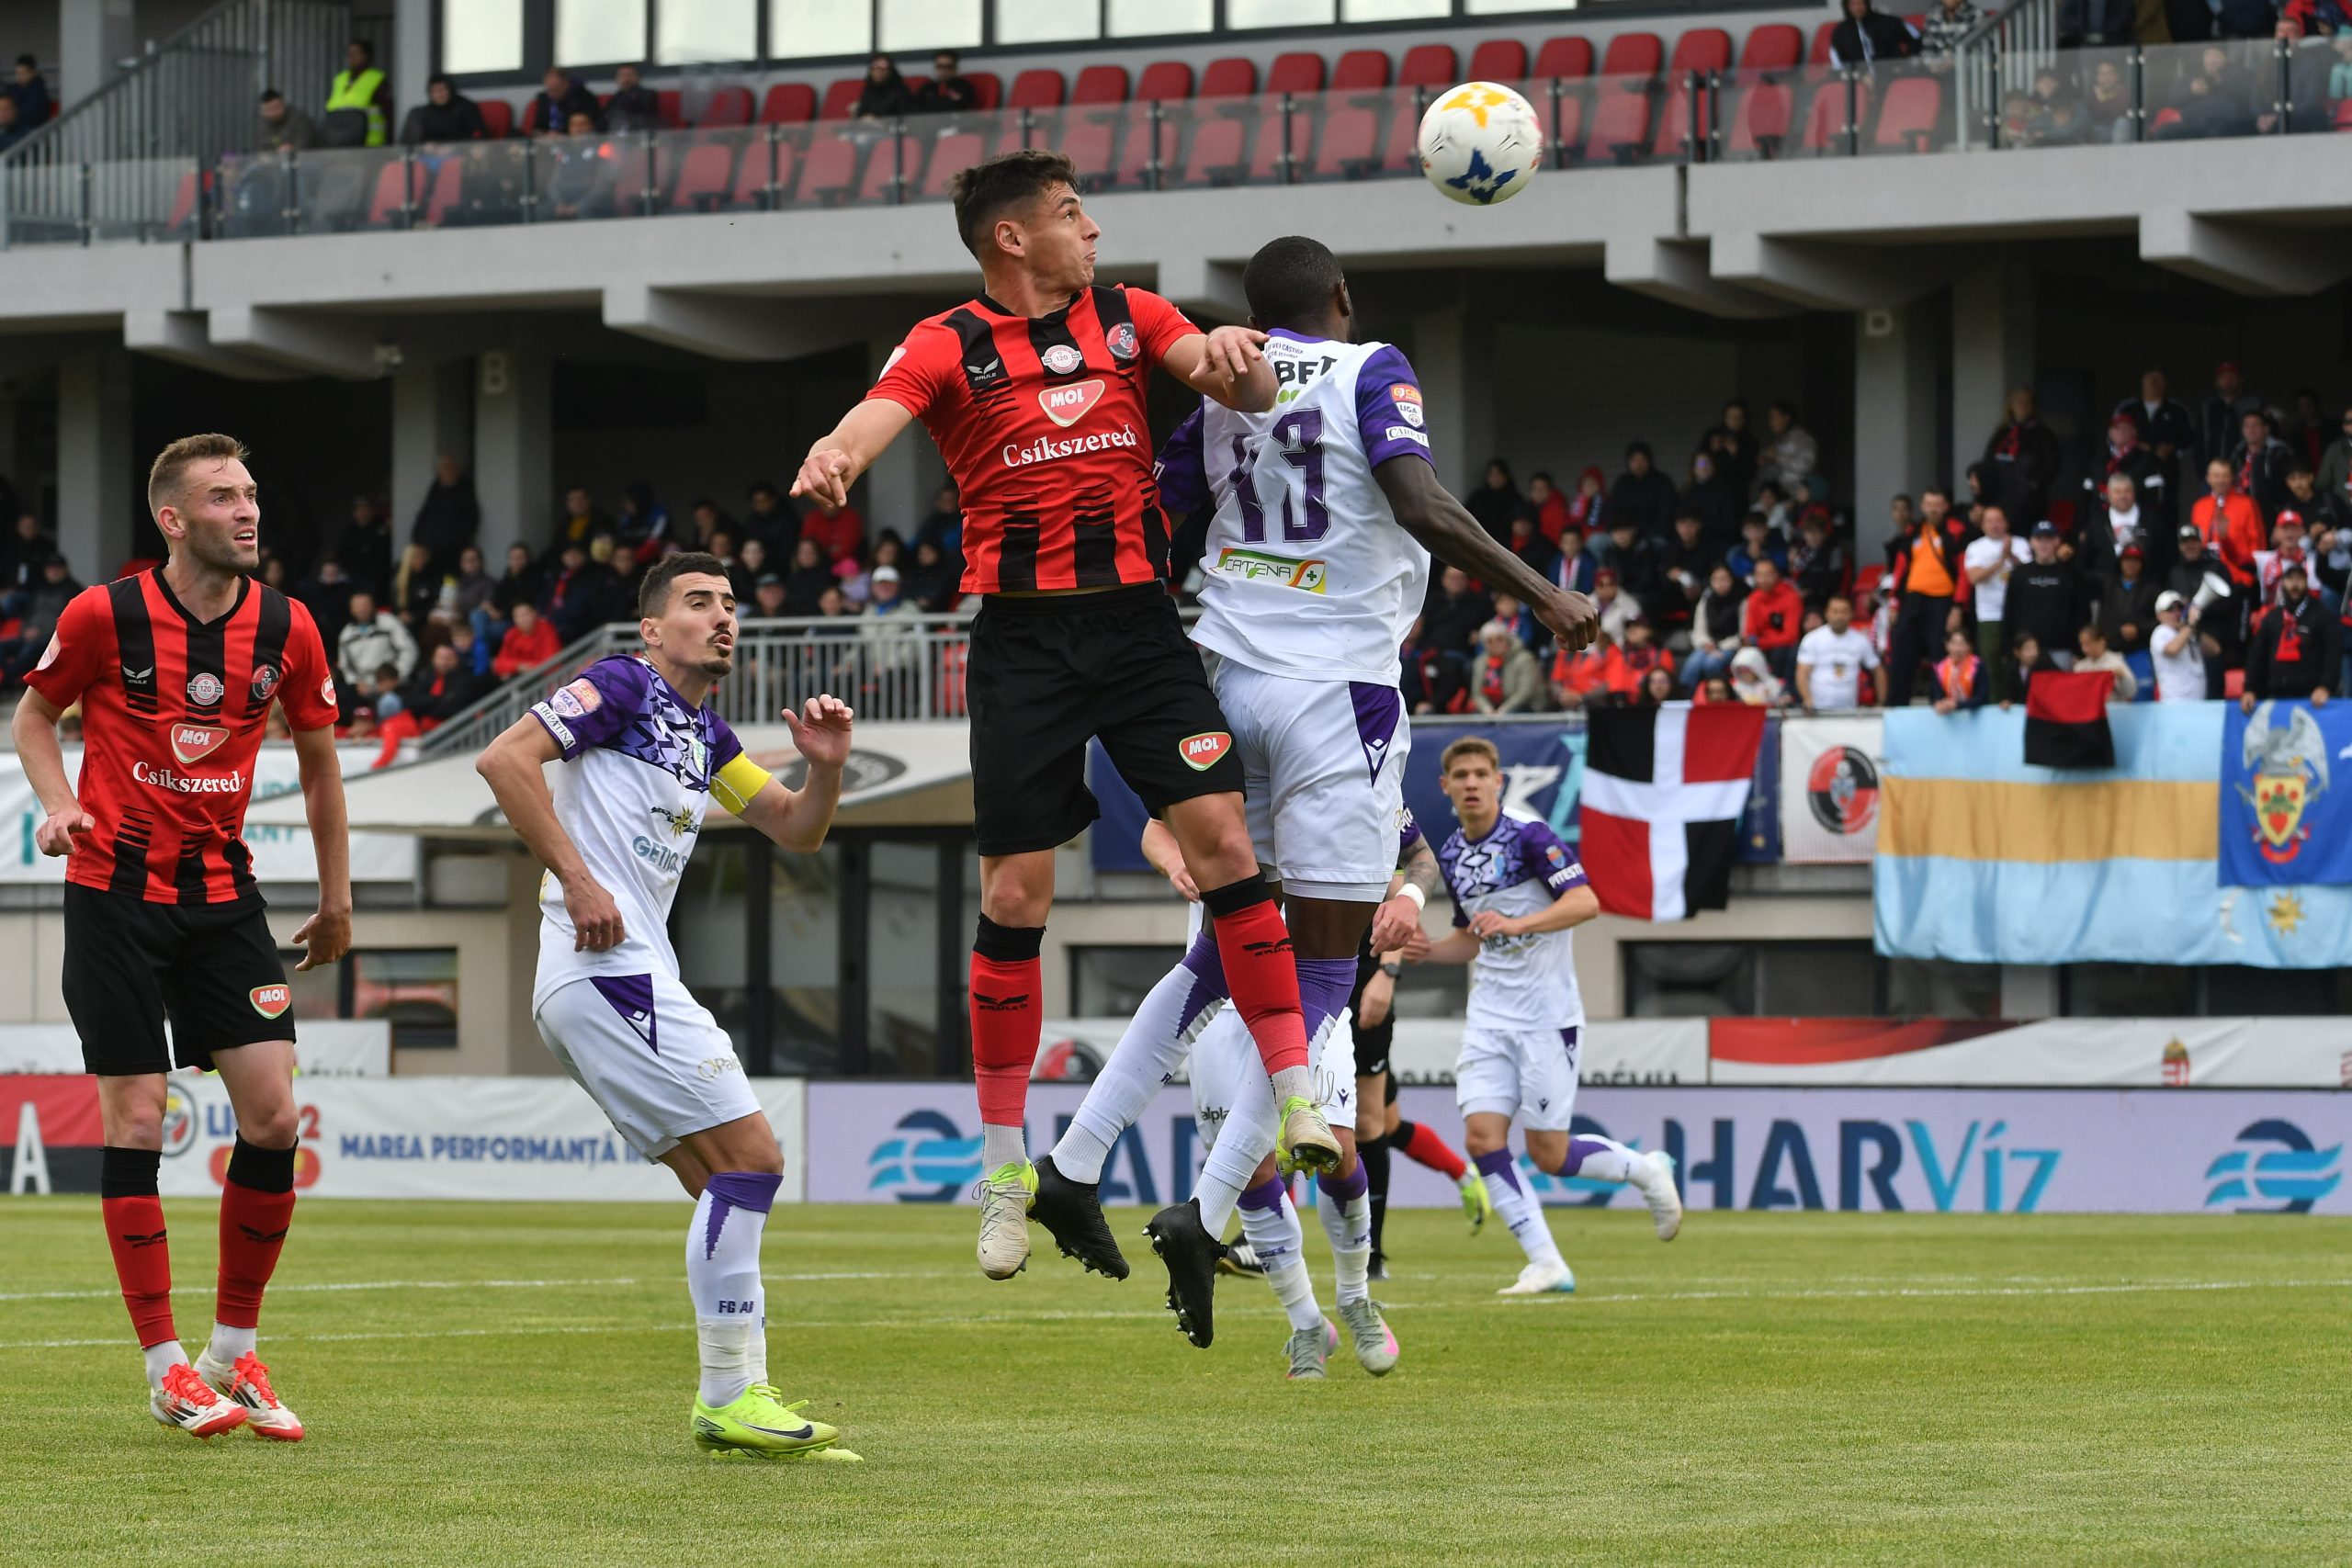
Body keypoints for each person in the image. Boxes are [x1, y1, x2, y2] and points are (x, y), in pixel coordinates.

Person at [786, 157, 1394, 1280]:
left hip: (1139, 633)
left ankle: (1302, 1097)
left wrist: (1232, 365)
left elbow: (1235, 387)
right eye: (1071, 215)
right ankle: (1007, 1176)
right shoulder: (945, 341)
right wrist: (837, 454)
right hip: (1022, 647)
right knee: (1015, 896)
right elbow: (879, 415)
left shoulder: (1131, 315)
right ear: (1012, 239)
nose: (1092, 231)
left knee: (1226, 851)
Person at [1027, 233, 1595, 1343]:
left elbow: (1164, 530)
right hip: (1332, 694)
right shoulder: (1369, 365)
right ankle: (1202, 1209)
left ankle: (1076, 1159)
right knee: (1323, 977)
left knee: (1217, 953)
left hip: (1221, 680)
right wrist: (1543, 593)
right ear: (1340, 298)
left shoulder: (1215, 385)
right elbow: (1421, 503)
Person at [474, 552, 863, 1461]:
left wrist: (826, 770)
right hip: (605, 963)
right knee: (756, 1157)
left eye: (731, 603)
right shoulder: (618, 686)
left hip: (618, 974)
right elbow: (504, 758)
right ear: (652, 629)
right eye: (699, 603)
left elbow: (798, 830)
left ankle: (737, 1397)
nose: (723, 615)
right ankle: (731, 1397)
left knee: (720, 1178)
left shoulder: (707, 736)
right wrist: (576, 881)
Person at [13, 434, 349, 1442]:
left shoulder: (289, 627)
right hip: (112, 891)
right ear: (173, 518)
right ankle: (165, 1368)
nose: (248, 511)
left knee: (275, 1118)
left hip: (222, 896)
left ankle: (231, 1350)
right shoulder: (102, 614)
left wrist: (337, 900)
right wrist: (58, 804)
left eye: (251, 493)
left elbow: (325, 769)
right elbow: (33, 718)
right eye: (223, 497)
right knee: (137, 1118)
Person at [1412, 738, 1680, 1296]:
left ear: (1499, 781)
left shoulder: (1528, 834)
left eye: (1480, 773)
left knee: (1549, 1154)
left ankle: (1646, 1171)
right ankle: (1546, 1263)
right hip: (1489, 1016)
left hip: (1546, 1015)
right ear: (1445, 787)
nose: (1470, 783)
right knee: (1483, 1137)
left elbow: (1585, 903)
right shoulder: (1454, 852)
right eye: (1459, 774)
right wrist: (1427, 949)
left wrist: (1519, 925)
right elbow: (1470, 939)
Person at [1884, 489, 1967, 704]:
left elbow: (1963, 573)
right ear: (1922, 507)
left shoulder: (1956, 531)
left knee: (1939, 655)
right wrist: (1894, 602)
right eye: (1928, 504)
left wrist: (1958, 607)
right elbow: (1901, 569)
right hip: (1912, 601)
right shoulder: (1914, 532)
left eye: (1937, 504)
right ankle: (1895, 706)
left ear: (1946, 507)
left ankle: (1939, 702)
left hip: (1942, 602)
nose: (1933, 508)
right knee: (1901, 653)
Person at [2242, 561, 2339, 706]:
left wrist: (2325, 686)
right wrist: (2250, 689)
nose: (2295, 584)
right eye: (2290, 579)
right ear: (2282, 583)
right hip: (2274, 696)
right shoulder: (2272, 617)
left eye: (2299, 579)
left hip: (2311, 698)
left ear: (2307, 582)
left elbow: (2332, 654)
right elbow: (2257, 655)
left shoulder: (2322, 615)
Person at [1962, 502, 2030, 702]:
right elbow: (1973, 577)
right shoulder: (1976, 547)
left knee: (2019, 660)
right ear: (1982, 525)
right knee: (1991, 662)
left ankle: (2020, 701)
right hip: (1989, 614)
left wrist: (2011, 556)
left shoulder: (2021, 543)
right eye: (1990, 521)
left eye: (1999, 520)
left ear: (2006, 523)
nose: (1995, 525)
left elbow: (2028, 573)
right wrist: (2000, 561)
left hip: (2018, 613)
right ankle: (1994, 702)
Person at [2006, 523, 2088, 671]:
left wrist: (2078, 650)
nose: (2044, 544)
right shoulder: (2020, 574)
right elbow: (2010, 612)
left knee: (2062, 692)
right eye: (2039, 539)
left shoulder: (2070, 573)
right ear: (2031, 542)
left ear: (2057, 541)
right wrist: (2010, 649)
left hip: (2062, 648)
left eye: (2049, 539)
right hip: (2027, 651)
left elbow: (2080, 612)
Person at [1984, 388, 2062, 526]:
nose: (2022, 406)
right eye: (2018, 402)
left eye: (2027, 402)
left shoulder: (2043, 433)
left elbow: (2052, 464)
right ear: (2011, 406)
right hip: (2001, 497)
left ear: (2033, 406)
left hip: (2030, 501)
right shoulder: (2003, 432)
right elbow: (1989, 460)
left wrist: (2033, 485)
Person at [1795, 592, 1881, 712]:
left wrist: (1881, 703)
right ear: (1827, 613)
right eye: (1835, 611)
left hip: (1850, 711)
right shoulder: (1812, 639)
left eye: (1844, 612)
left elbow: (1878, 670)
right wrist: (1807, 698)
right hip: (1817, 711)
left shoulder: (1860, 640)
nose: (1839, 616)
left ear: (1851, 614)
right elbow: (1802, 673)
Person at [2191, 457, 2267, 586]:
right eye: (2216, 476)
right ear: (2208, 478)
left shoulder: (2247, 504)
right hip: (2204, 572)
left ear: (2232, 478)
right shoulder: (2199, 506)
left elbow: (2257, 545)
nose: (2221, 480)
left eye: (2225, 476)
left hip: (2238, 574)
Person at [411, 453, 480, 577]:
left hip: (453, 552)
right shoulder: (435, 489)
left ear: (457, 469)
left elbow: (471, 520)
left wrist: (450, 542)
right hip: (431, 551)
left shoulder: (465, 489)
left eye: (449, 467)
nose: (446, 472)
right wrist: (418, 539)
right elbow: (424, 515)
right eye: (443, 468)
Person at [336, 589, 417, 691]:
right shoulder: (346, 634)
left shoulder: (389, 623)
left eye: (365, 605)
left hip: (393, 685)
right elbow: (345, 666)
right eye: (357, 606)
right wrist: (356, 683)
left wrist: (397, 677)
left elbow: (409, 650)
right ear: (351, 609)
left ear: (373, 606)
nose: (361, 609)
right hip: (362, 688)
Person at [1742, 556, 1805, 681]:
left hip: (1783, 648)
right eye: (1759, 575)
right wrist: (1753, 642)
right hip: (1762, 647)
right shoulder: (1754, 598)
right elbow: (1751, 632)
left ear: (1777, 575)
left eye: (1768, 574)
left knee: (1781, 652)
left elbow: (1791, 636)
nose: (1764, 579)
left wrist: (1761, 642)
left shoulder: (1791, 597)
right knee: (1744, 655)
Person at [1684, 564, 1747, 689]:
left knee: (1711, 664)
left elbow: (1744, 633)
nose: (1720, 583)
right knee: (1692, 663)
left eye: (1724, 579)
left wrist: (1719, 646)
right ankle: (1687, 698)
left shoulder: (1742, 600)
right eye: (1716, 579)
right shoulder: (1706, 600)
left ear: (1731, 580)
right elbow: (1699, 629)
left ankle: (1718, 699)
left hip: (1731, 645)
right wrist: (1706, 643)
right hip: (1709, 644)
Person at [322, 39, 390, 148]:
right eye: (349, 53)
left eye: (356, 53)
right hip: (338, 141)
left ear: (366, 56)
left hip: (368, 143)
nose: (351, 57)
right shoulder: (340, 79)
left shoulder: (376, 78)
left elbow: (387, 112)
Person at [2231, 410, 2296, 520]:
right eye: (2247, 426)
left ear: (2266, 428)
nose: (2251, 430)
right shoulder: (2237, 454)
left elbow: (2288, 492)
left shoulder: (2278, 454)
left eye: (2255, 425)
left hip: (2269, 517)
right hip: (2241, 516)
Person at [1470, 618, 1544, 713]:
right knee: (1477, 715)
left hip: (1526, 706)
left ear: (1507, 639)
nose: (1495, 644)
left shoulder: (1524, 659)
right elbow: (1477, 693)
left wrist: (1503, 710)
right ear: (1484, 644)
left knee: (1513, 713)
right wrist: (1487, 709)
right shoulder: (1480, 662)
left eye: (1499, 639)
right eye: (1489, 641)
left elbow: (1525, 692)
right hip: (1495, 707)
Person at [1608, 442, 1679, 540]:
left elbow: (1667, 513)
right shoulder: (1621, 484)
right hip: (1624, 535)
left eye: (1642, 459)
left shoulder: (1662, 481)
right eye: (1634, 460)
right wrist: (1621, 531)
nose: (1638, 464)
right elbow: (1612, 511)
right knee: (1597, 542)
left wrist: (1651, 533)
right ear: (1628, 462)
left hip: (1654, 534)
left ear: (1649, 461)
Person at [2150, 590, 2207, 701]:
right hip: (2175, 704)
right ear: (2159, 615)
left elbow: (2215, 650)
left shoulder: (2187, 632)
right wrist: (2190, 624)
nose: (2176, 613)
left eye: (2180, 608)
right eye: (2170, 609)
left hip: (2197, 704)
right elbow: (2172, 649)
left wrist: (2194, 629)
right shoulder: (2160, 631)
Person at [399, 74, 488, 145]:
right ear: (430, 93)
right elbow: (412, 142)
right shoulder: (423, 113)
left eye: (443, 90)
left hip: (460, 151)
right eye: (435, 91)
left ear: (450, 90)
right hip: (429, 155)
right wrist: (426, 146)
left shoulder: (466, 107)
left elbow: (478, 134)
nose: (440, 94)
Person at [1756, 402, 1819, 501]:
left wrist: (1778, 457)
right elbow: (1774, 473)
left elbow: (1806, 466)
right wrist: (1765, 462)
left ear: (1786, 417)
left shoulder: (1801, 438)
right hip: (1781, 497)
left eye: (1774, 418)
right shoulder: (1778, 442)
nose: (1771, 422)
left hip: (1801, 496)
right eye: (1770, 419)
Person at [525, 66, 602, 136]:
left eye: (556, 90)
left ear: (566, 84)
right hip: (547, 142)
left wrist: (561, 136)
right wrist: (542, 134)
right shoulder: (544, 98)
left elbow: (588, 128)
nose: (551, 95)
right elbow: (537, 127)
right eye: (549, 90)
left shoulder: (584, 98)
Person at [494, 599, 561, 676]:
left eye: (525, 615)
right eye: (517, 616)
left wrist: (528, 667)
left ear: (534, 614)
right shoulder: (512, 633)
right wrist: (518, 666)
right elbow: (499, 663)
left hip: (545, 676)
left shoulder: (546, 628)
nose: (521, 619)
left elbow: (550, 661)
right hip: (520, 675)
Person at [2074, 624, 2140, 701]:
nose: (2085, 649)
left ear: (2101, 641)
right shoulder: (2080, 667)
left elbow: (2131, 693)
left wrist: (2122, 678)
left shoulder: (2115, 663)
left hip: (2113, 710)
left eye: (2089, 643)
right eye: (2083, 644)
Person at [1931, 627, 1987, 712]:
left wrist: (1957, 705)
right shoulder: (1940, 668)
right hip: (1948, 714)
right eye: (1953, 643)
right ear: (1947, 645)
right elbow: (1935, 695)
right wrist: (1938, 703)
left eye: (1961, 644)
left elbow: (1981, 698)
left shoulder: (1978, 666)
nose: (1957, 648)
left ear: (1969, 646)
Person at [912, 51, 978, 114]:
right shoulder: (927, 87)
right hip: (931, 123)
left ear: (955, 68)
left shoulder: (964, 86)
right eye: (940, 66)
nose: (944, 71)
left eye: (948, 67)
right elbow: (917, 108)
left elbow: (963, 105)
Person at [604, 62, 662, 133]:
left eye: (629, 75)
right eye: (622, 75)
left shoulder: (648, 94)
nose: (625, 79)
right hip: (617, 135)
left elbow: (646, 116)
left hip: (639, 134)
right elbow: (605, 118)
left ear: (637, 77)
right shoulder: (615, 98)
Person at [854, 55, 913, 120]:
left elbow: (905, 115)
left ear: (890, 70)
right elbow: (861, 114)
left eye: (883, 69)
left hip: (892, 127)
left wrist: (878, 120)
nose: (878, 72)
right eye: (875, 69)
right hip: (869, 127)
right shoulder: (868, 89)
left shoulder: (900, 89)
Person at [8, 53, 51, 129]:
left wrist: (12, 114)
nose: (20, 77)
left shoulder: (38, 90)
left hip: (32, 129)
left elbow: (31, 114)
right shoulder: (14, 88)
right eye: (18, 73)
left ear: (33, 72)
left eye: (23, 73)